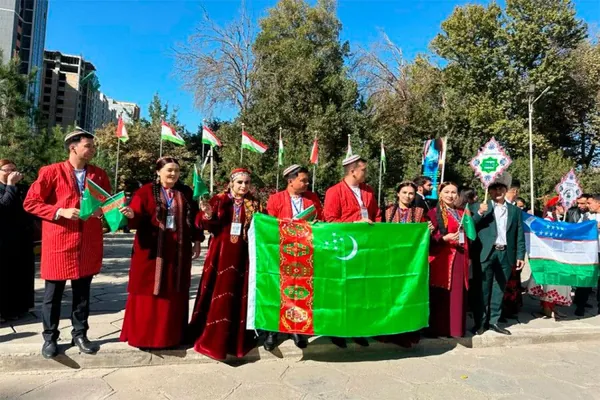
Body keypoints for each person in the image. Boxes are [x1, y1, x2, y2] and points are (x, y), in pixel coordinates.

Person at [23, 128, 111, 358]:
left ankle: (80, 334)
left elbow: (107, 204)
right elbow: (30, 203)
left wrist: (108, 212)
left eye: (93, 146)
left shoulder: (99, 174)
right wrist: (59, 211)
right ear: (73, 147)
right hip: (59, 242)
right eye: (88, 146)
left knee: (83, 293)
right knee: (53, 294)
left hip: (88, 242)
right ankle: (50, 338)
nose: (93, 149)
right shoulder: (51, 172)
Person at [119, 157, 204, 349]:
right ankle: (144, 337)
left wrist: (197, 240)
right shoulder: (146, 191)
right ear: (158, 171)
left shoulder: (185, 191)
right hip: (151, 252)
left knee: (174, 290)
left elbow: (194, 216)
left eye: (176, 170)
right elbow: (136, 214)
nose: (173, 174)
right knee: (148, 290)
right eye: (169, 170)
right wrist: (131, 215)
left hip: (178, 252)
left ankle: (172, 337)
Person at [187, 168, 261, 360]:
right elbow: (201, 222)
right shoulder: (219, 200)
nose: (243, 186)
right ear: (231, 183)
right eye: (239, 182)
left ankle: (237, 339)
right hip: (220, 255)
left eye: (246, 182)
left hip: (244, 256)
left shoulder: (254, 203)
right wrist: (208, 215)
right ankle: (212, 338)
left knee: (239, 293)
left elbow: (263, 225)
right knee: (217, 292)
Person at [323, 155, 380, 348]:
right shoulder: (334, 192)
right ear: (352, 171)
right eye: (363, 169)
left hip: (364, 249)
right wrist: (355, 224)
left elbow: (376, 215)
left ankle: (357, 329)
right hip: (343, 250)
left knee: (359, 291)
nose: (366, 173)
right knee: (340, 290)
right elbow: (330, 221)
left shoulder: (369, 191)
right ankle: (337, 331)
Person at [264, 164, 323, 350]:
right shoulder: (275, 199)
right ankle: (273, 331)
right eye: (303, 180)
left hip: (306, 253)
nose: (307, 183)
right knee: (278, 291)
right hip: (282, 252)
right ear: (290, 181)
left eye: (307, 180)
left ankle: (298, 329)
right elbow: (270, 225)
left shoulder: (312, 199)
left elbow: (321, 220)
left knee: (301, 292)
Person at [470, 173, 526, 335]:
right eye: (494, 189)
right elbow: (469, 227)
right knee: (482, 289)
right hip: (485, 253)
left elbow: (519, 234)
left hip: (505, 253)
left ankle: (494, 321)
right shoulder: (479, 207)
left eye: (501, 188)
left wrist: (520, 255)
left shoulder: (515, 211)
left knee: (499, 288)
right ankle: (480, 322)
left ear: (506, 190)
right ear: (489, 190)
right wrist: (480, 213)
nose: (497, 192)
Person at [378, 181, 430, 346]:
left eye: (411, 193)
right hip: (390, 261)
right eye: (405, 192)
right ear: (398, 194)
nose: (408, 196)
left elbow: (425, 235)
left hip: (411, 263)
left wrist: (428, 229)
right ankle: (389, 331)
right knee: (390, 296)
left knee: (408, 296)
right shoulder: (386, 212)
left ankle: (406, 332)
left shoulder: (420, 212)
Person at [427, 182, 469, 338]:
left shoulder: (461, 213)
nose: (450, 195)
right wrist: (443, 238)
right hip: (442, 258)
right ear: (440, 194)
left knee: (457, 293)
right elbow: (429, 236)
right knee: (442, 293)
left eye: (454, 192)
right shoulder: (433, 213)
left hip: (459, 255)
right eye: (447, 192)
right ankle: (440, 329)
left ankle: (455, 329)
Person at [0, 159, 35, 321]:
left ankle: (21, 307)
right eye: (6, 170)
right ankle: (5, 311)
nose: (11, 173)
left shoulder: (23, 188)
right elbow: (4, 207)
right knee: (6, 275)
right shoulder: (8, 187)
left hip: (22, 237)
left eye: (14, 169)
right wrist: (10, 185)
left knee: (22, 273)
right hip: (3, 239)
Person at [526, 197, 572, 319]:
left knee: (556, 283)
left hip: (558, 257)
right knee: (550, 284)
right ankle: (547, 308)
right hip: (549, 257)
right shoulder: (547, 220)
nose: (565, 208)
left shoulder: (560, 220)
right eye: (562, 205)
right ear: (556, 206)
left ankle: (552, 307)